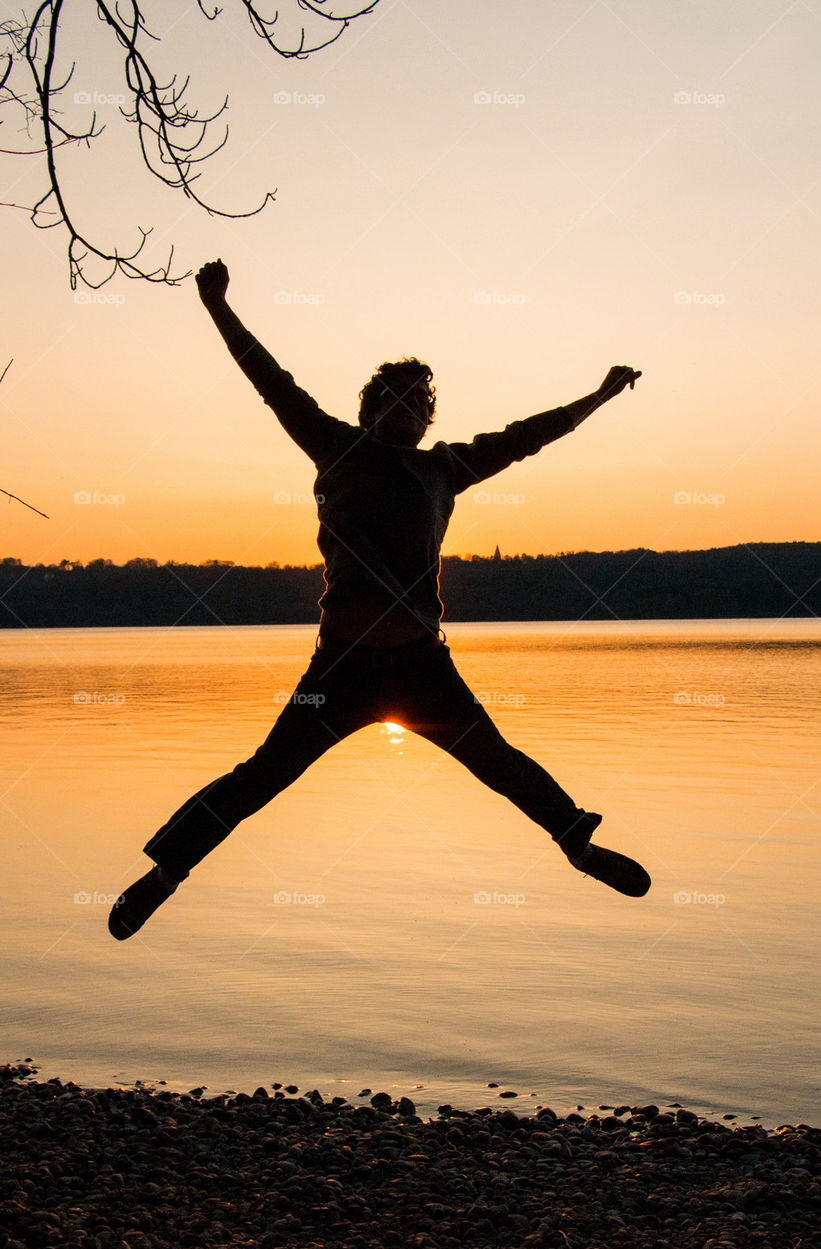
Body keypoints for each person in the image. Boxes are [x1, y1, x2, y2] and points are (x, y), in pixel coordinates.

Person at [109, 260, 650, 940]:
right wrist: (216, 304)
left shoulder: (443, 467)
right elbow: (270, 381)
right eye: (398, 399)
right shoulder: (335, 447)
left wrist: (598, 395)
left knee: (498, 762)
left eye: (423, 405)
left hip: (422, 668)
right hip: (337, 671)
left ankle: (575, 841)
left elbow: (525, 437)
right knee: (260, 777)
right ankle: (162, 875)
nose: (414, 411)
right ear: (369, 409)